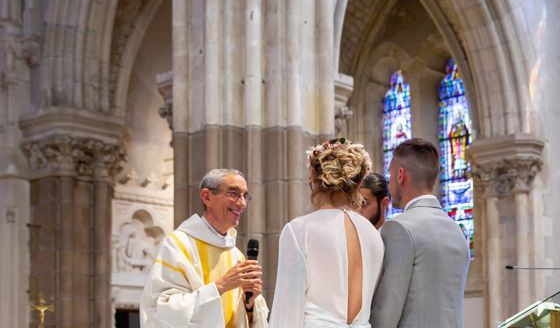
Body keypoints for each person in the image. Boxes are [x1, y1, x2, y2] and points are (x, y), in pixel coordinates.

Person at [269, 138, 384, 328]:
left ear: (313, 175)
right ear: (358, 182)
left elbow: (287, 311)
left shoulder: (299, 230)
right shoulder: (373, 235)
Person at [140, 169, 269, 327]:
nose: (242, 203)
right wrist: (221, 286)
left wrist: (249, 306)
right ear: (207, 197)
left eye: (245, 196)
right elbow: (162, 311)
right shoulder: (178, 244)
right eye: (233, 193)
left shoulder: (237, 256)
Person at [371, 138, 469, 328]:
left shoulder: (400, 228)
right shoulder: (457, 230)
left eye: (389, 176)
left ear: (401, 175)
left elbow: (386, 314)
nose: (389, 184)